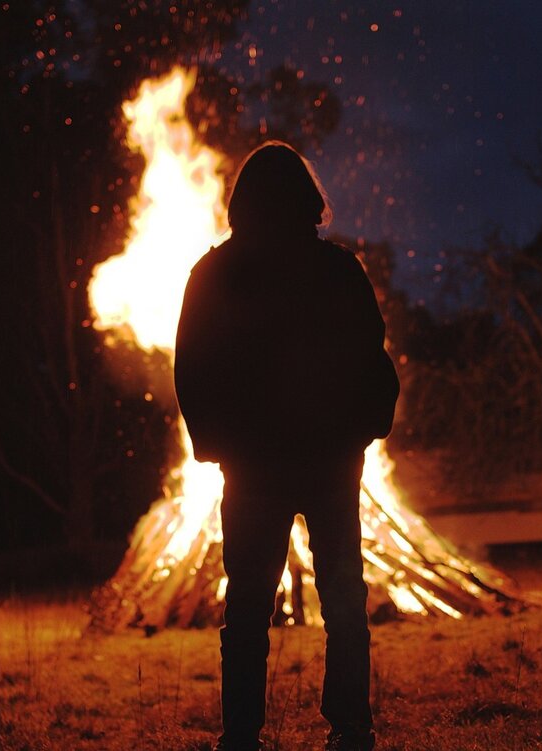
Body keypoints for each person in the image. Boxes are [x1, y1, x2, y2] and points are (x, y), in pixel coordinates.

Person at [175, 142, 399, 751]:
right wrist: (365, 429)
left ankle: (241, 734)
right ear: (309, 199)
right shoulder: (337, 269)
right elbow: (372, 359)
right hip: (327, 461)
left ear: (241, 201)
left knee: (246, 606)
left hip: (254, 467)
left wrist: (216, 444)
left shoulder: (214, 272)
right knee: (344, 601)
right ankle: (351, 728)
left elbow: (191, 368)